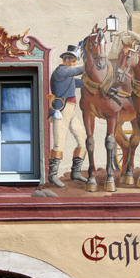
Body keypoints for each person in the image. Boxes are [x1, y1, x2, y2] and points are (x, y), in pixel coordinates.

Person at [48, 45, 87, 187]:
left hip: (71, 109)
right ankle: (52, 175)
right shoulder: (61, 71)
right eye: (68, 59)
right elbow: (77, 71)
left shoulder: (68, 75)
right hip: (62, 109)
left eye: (72, 59)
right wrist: (90, 64)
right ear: (64, 60)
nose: (70, 61)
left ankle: (75, 172)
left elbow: (81, 82)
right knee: (59, 143)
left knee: (83, 139)